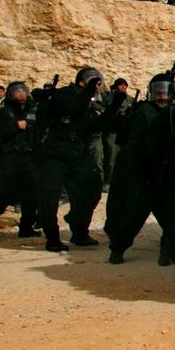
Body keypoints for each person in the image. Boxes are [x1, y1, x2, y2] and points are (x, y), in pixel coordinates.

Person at [104, 75, 175, 265]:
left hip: (165, 172)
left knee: (171, 218)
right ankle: (118, 249)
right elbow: (135, 144)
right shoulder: (142, 112)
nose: (161, 97)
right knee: (133, 215)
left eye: (165, 92)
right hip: (144, 171)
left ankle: (167, 252)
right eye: (158, 92)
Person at [35, 68, 109, 251]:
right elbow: (70, 108)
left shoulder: (91, 99)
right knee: (50, 198)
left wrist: (115, 110)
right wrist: (88, 92)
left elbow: (92, 126)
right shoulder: (64, 94)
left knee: (91, 190)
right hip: (54, 153)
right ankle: (52, 238)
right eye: (93, 81)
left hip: (77, 152)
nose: (97, 85)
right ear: (82, 81)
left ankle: (79, 230)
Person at [0, 81, 40, 238]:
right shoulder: (4, 113)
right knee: (3, 195)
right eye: (17, 91)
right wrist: (16, 126)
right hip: (8, 157)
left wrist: (29, 127)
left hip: (29, 157)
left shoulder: (34, 111)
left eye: (23, 91)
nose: (21, 94)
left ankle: (26, 227)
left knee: (31, 195)